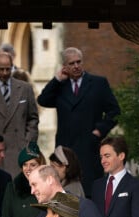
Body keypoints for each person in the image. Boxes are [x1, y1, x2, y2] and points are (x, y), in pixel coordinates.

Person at [37, 47, 121, 198]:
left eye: (78, 62)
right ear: (64, 66)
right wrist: (56, 80)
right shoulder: (60, 86)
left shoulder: (98, 83)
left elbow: (114, 112)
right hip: (65, 150)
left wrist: (99, 131)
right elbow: (43, 100)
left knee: (90, 193)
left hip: (90, 147)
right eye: (71, 63)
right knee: (65, 195)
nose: (76, 66)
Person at [0, 52, 39, 177]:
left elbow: (33, 119)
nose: (4, 73)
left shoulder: (25, 88)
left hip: (20, 150)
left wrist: (28, 142)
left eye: (8, 69)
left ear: (12, 66)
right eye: (1, 69)